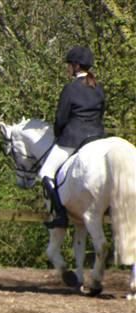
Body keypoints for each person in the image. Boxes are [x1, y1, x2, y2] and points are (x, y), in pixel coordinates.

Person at [38, 45, 106, 229]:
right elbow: (101, 113)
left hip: (73, 137)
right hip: (98, 137)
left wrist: (59, 136)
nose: (67, 68)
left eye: (68, 64)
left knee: (45, 172)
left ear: (76, 66)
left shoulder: (70, 88)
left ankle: (60, 215)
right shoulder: (98, 88)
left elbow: (61, 118)